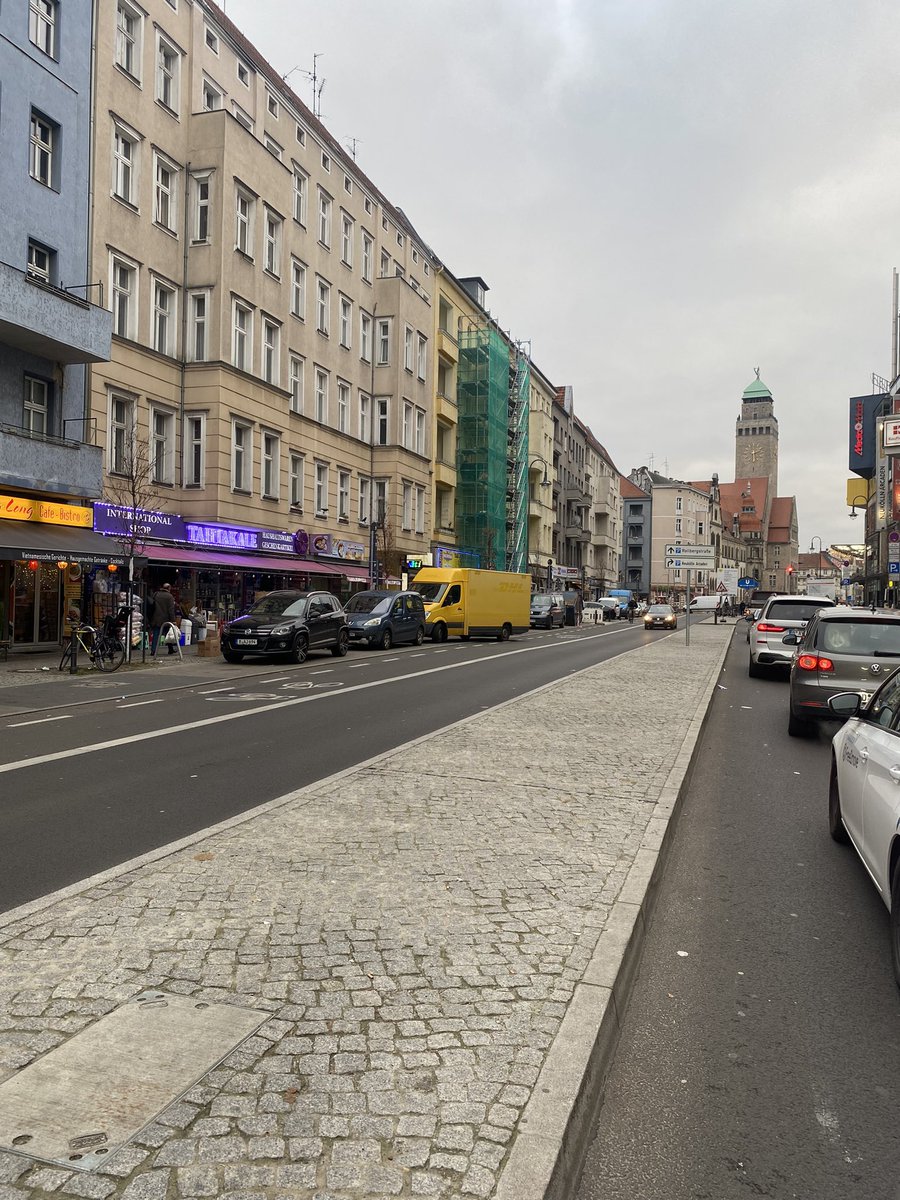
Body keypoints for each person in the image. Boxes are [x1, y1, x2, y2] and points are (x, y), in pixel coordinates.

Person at [150, 582, 177, 655]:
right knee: (169, 634)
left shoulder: (156, 594)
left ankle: (153, 650)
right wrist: (173, 620)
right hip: (165, 619)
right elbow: (171, 610)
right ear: (169, 588)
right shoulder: (170, 597)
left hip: (156, 618)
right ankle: (170, 649)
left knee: (156, 634)